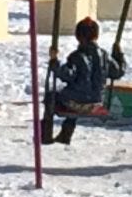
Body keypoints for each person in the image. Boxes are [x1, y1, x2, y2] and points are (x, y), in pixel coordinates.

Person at [42, 16, 125, 146]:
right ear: (96, 36)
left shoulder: (76, 56)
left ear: (78, 37)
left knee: (51, 96)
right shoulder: (104, 55)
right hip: (97, 102)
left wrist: (54, 61)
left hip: (76, 103)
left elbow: (66, 75)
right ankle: (64, 135)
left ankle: (47, 136)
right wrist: (119, 55)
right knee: (73, 92)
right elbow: (118, 72)